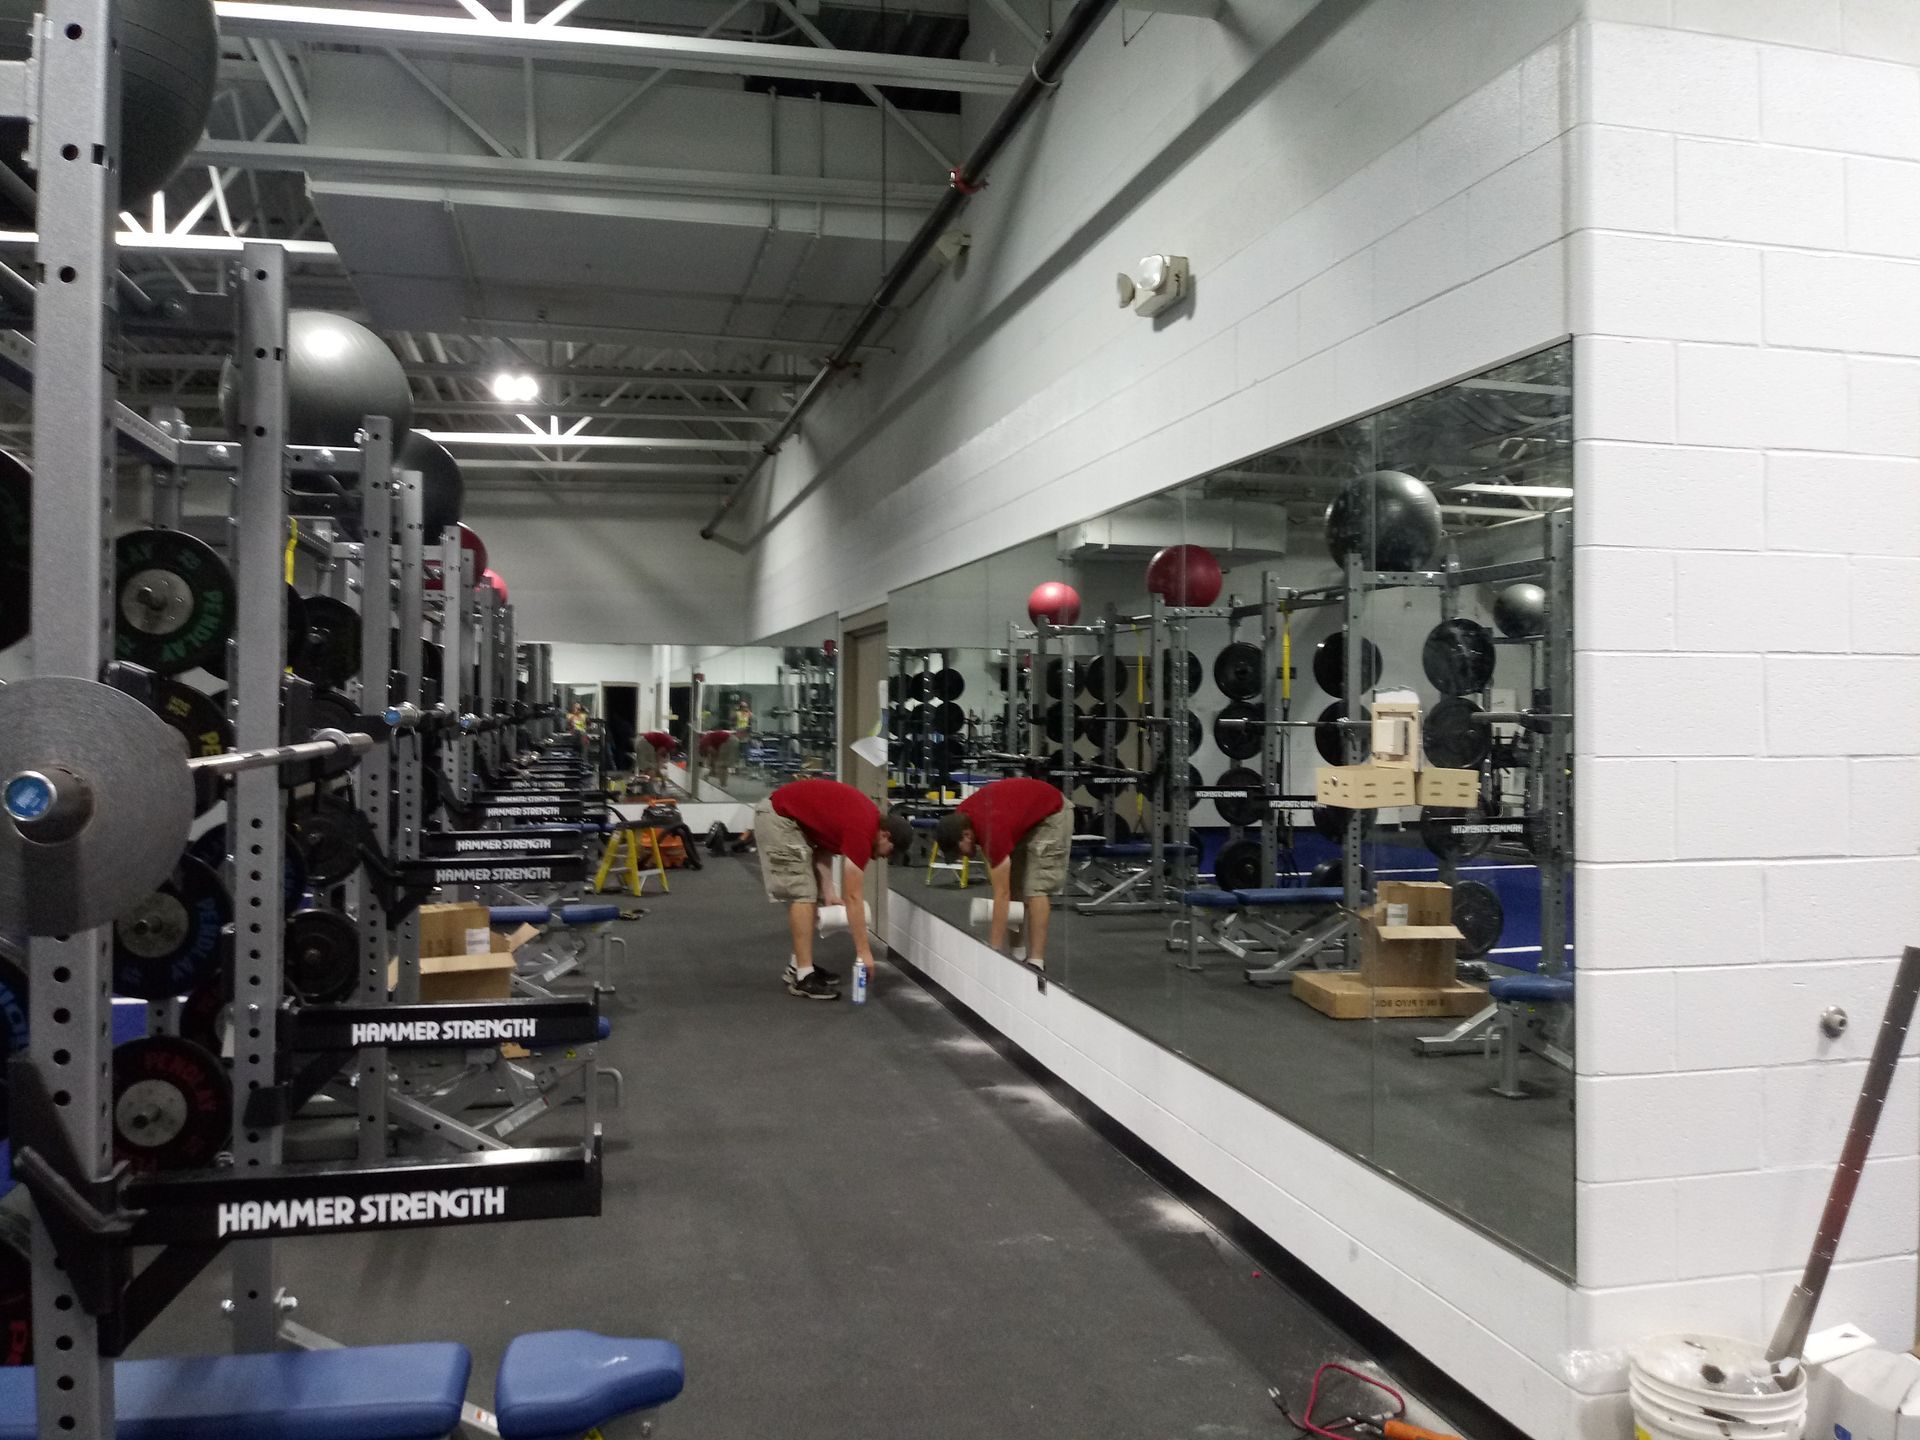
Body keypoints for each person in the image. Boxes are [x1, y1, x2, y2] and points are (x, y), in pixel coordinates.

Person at [755, 779, 914, 1001]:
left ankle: (798, 965)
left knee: (814, 895)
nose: (885, 857)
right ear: (886, 836)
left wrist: (829, 892)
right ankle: (803, 977)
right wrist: (864, 952)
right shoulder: (863, 831)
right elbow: (853, 895)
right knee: (804, 895)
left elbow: (823, 849)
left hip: (789, 819)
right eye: (890, 852)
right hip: (778, 818)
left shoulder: (864, 822)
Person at [932, 776, 1070, 968]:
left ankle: (1036, 961)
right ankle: (1017, 954)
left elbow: (1001, 895)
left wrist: (993, 950)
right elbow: (1007, 891)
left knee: (1035, 887)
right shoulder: (960, 820)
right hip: (1023, 817)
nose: (963, 856)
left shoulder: (990, 833)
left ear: (967, 835)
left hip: (1052, 813)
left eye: (959, 850)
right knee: (1015, 886)